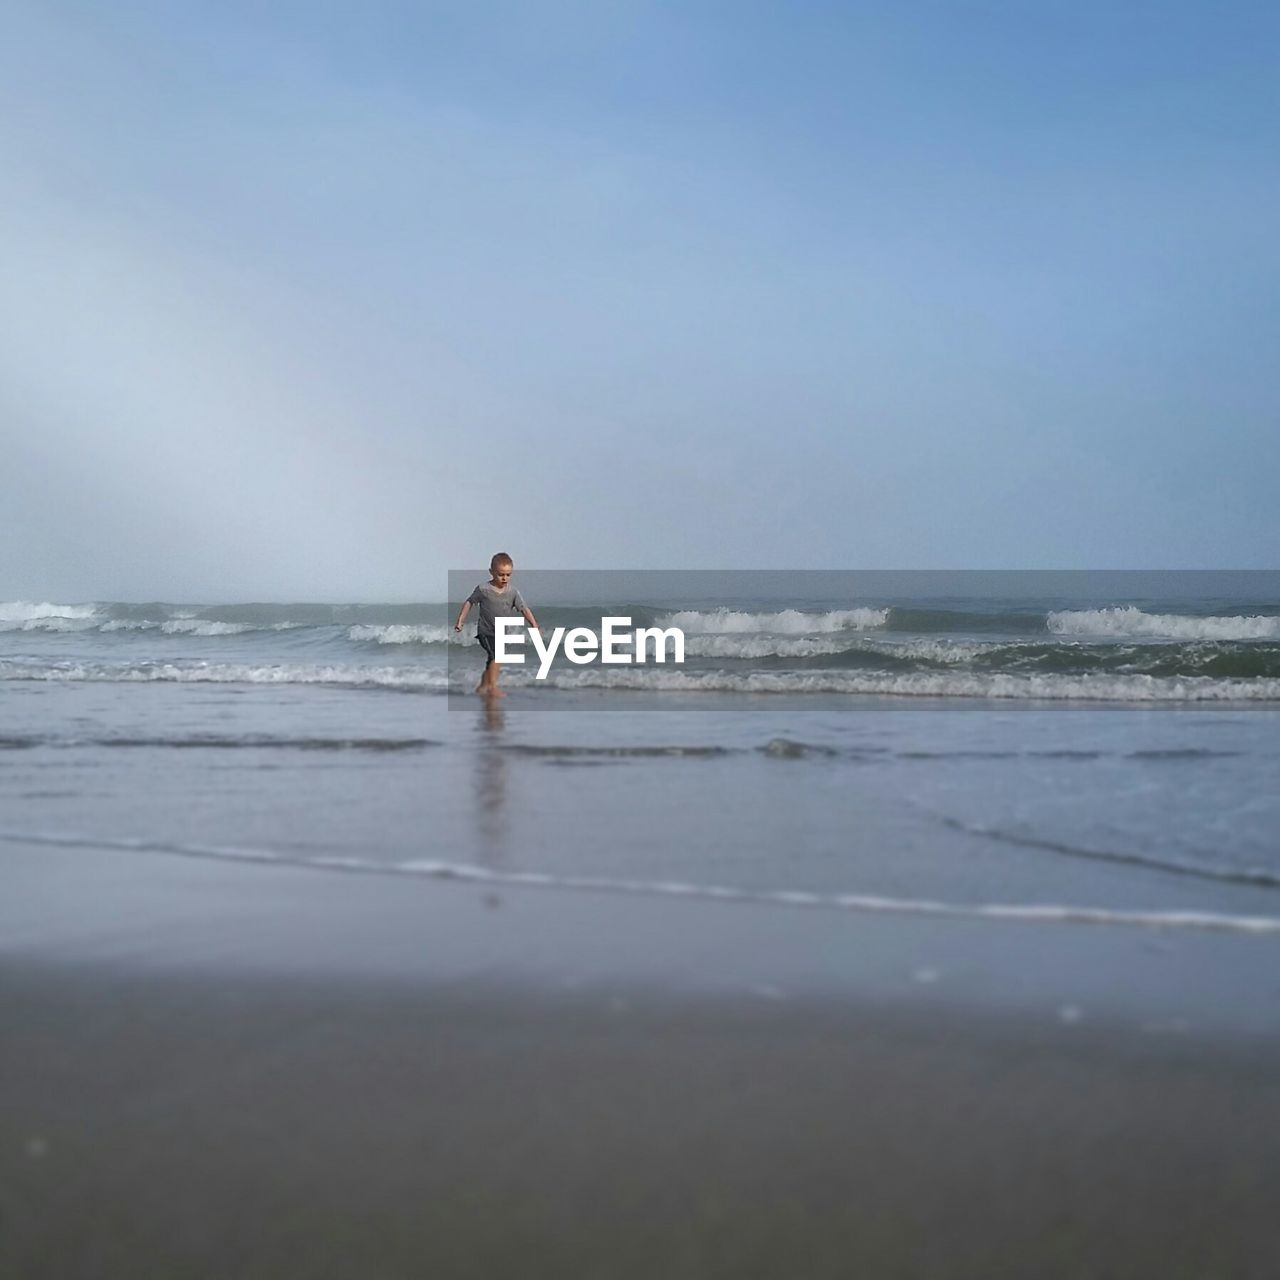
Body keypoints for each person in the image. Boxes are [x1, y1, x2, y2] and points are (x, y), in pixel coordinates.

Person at [454, 553, 539, 697]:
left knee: (493, 660)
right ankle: (493, 687)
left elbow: (524, 609)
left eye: (508, 575)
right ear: (491, 572)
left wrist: (534, 625)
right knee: (496, 656)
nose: (504, 578)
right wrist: (460, 621)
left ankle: (483, 686)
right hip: (486, 632)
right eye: (500, 575)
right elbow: (469, 602)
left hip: (502, 633)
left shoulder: (513, 592)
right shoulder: (483, 589)